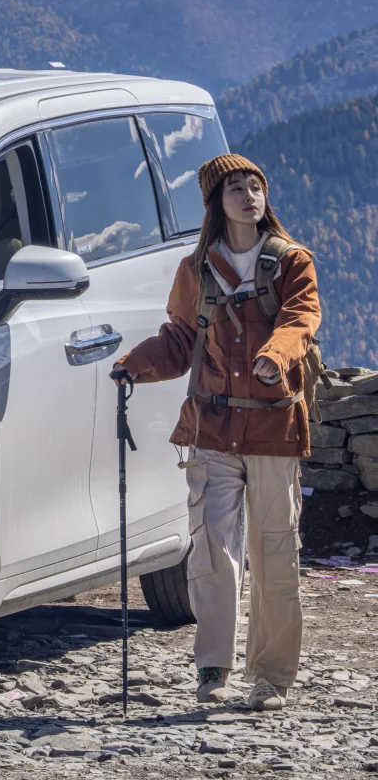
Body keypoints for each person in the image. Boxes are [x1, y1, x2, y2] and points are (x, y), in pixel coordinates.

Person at [111, 153, 320, 712]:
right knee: (212, 554)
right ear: (215, 200)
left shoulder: (292, 262)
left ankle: (271, 678)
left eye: (256, 185)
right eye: (235, 187)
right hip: (212, 427)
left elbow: (300, 320)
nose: (249, 194)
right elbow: (180, 339)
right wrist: (135, 363)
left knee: (275, 553)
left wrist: (275, 356)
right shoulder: (197, 269)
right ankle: (213, 669)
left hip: (275, 428)